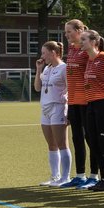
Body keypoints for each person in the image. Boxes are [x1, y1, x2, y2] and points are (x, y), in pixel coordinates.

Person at [81, 30, 104, 191]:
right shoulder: (89, 60)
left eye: (84, 39)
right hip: (91, 104)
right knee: (92, 140)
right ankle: (102, 178)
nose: (80, 42)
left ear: (94, 42)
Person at [34, 40, 70, 186]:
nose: (42, 56)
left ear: (53, 53)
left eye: (44, 53)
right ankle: (55, 176)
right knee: (51, 145)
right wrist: (38, 70)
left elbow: (70, 87)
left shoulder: (64, 68)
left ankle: (65, 177)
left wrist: (65, 98)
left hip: (58, 107)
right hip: (45, 108)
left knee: (62, 143)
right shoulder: (47, 69)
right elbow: (37, 88)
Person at [61, 19, 90, 187]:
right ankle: (80, 175)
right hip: (72, 100)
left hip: (86, 100)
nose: (66, 35)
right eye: (65, 32)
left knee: (89, 138)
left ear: (79, 30)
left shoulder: (87, 49)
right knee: (76, 138)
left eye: (69, 31)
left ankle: (96, 176)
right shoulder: (71, 48)